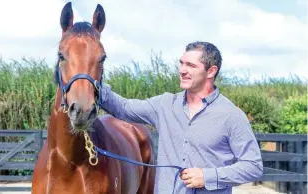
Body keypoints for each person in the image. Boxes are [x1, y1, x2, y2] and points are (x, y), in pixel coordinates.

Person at [99, 41, 263, 194]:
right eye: (181, 63)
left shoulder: (231, 115)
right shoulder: (164, 104)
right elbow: (124, 107)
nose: (182, 70)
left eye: (191, 65)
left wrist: (208, 177)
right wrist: (88, 83)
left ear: (211, 71)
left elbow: (253, 166)